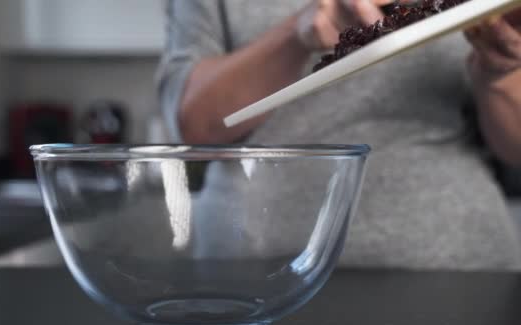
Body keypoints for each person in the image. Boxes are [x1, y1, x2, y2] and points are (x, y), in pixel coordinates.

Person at [156, 0, 521, 270]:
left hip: (455, 271)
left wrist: (499, 71)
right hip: (254, 275)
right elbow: (194, 125)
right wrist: (297, 33)